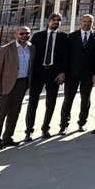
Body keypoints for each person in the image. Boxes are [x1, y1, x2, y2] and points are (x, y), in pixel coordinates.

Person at [26, 13, 69, 141]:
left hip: (54, 74)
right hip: (38, 73)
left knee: (51, 103)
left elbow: (66, 57)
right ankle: (29, 130)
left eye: (58, 20)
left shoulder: (64, 37)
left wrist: (63, 72)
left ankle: (45, 128)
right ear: (48, 21)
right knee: (32, 102)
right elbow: (31, 56)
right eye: (54, 20)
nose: (56, 22)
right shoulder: (38, 36)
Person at [0, 26, 33, 149]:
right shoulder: (6, 49)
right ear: (16, 34)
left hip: (22, 83)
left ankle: (8, 138)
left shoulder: (32, 48)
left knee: (14, 113)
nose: (24, 35)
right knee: (1, 114)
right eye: (21, 33)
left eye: (27, 33)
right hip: (7, 85)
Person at [60, 13, 95, 134]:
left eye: (90, 22)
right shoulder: (72, 37)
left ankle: (82, 122)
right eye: (85, 21)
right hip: (72, 73)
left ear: (92, 23)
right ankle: (63, 124)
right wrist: (63, 72)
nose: (87, 24)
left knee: (85, 99)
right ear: (80, 22)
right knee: (68, 99)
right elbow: (66, 56)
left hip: (88, 74)